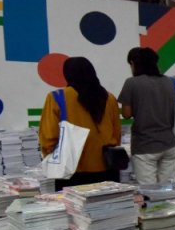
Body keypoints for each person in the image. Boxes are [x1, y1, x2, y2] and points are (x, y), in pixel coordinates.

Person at [119, 48, 175, 185]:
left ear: (133, 63)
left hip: (145, 146)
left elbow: (126, 114)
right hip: (169, 144)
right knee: (169, 189)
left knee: (149, 191)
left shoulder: (131, 83)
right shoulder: (171, 82)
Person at [39, 57, 122, 191]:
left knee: (74, 209)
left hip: (71, 168)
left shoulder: (57, 97)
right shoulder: (109, 97)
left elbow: (49, 136)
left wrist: (52, 158)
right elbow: (116, 133)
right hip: (107, 166)